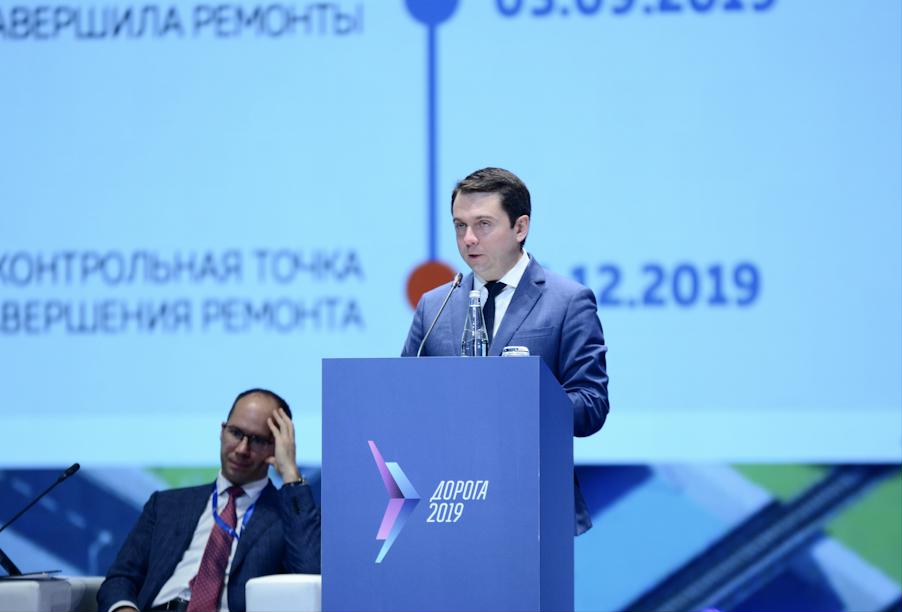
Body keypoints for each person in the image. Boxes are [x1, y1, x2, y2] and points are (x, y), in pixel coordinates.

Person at [402, 167, 609, 535]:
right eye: (460, 226)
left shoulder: (567, 302)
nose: (468, 239)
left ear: (520, 227)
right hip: (447, 506)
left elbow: (591, 405)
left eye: (483, 224)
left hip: (535, 509)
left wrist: (527, 399)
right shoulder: (435, 306)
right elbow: (402, 400)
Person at [97, 388, 321, 612]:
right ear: (222, 431)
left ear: (276, 446)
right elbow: (121, 578)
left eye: (257, 440)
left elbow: (312, 579)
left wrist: (290, 473)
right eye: (236, 433)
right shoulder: (166, 505)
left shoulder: (291, 517)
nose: (242, 449)